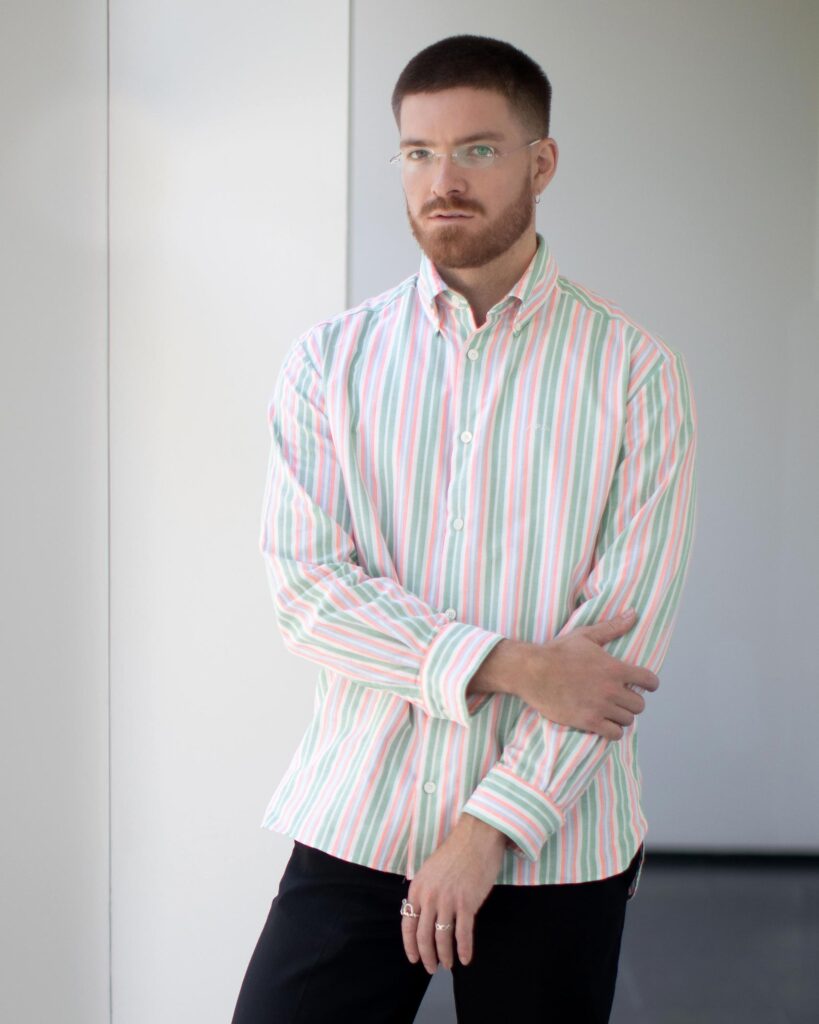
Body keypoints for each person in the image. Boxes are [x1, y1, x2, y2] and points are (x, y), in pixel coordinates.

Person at [231, 33, 697, 1024]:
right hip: (362, 816)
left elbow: (618, 651)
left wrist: (488, 827)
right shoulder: (329, 363)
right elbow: (311, 596)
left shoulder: (636, 373)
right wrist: (517, 664)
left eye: (478, 150)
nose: (442, 180)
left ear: (542, 162)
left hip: (555, 837)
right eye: (417, 152)